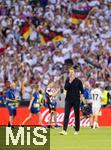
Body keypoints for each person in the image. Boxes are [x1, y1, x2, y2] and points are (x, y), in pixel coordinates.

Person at [60, 67, 84, 135]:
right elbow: (65, 88)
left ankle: (77, 130)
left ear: (74, 73)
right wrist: (70, 81)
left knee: (77, 115)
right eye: (70, 72)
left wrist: (81, 97)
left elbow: (82, 90)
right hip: (68, 100)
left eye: (72, 72)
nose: (71, 74)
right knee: (66, 114)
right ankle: (64, 130)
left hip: (76, 100)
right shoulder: (67, 80)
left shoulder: (78, 81)